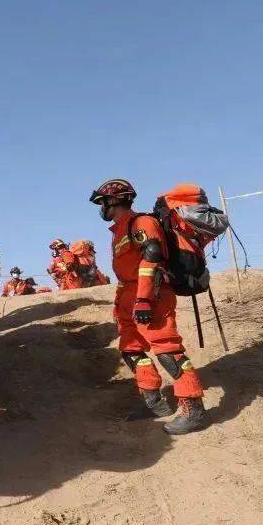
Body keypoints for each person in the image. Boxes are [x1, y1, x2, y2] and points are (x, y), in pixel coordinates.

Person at [89, 178, 209, 434]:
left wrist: (144, 299)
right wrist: (122, 305)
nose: (101, 209)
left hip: (152, 295)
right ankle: (154, 404)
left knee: (167, 349)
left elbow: (152, 256)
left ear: (113, 200)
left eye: (102, 203)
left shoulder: (141, 222)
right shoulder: (119, 230)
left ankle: (194, 408)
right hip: (128, 297)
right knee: (131, 350)